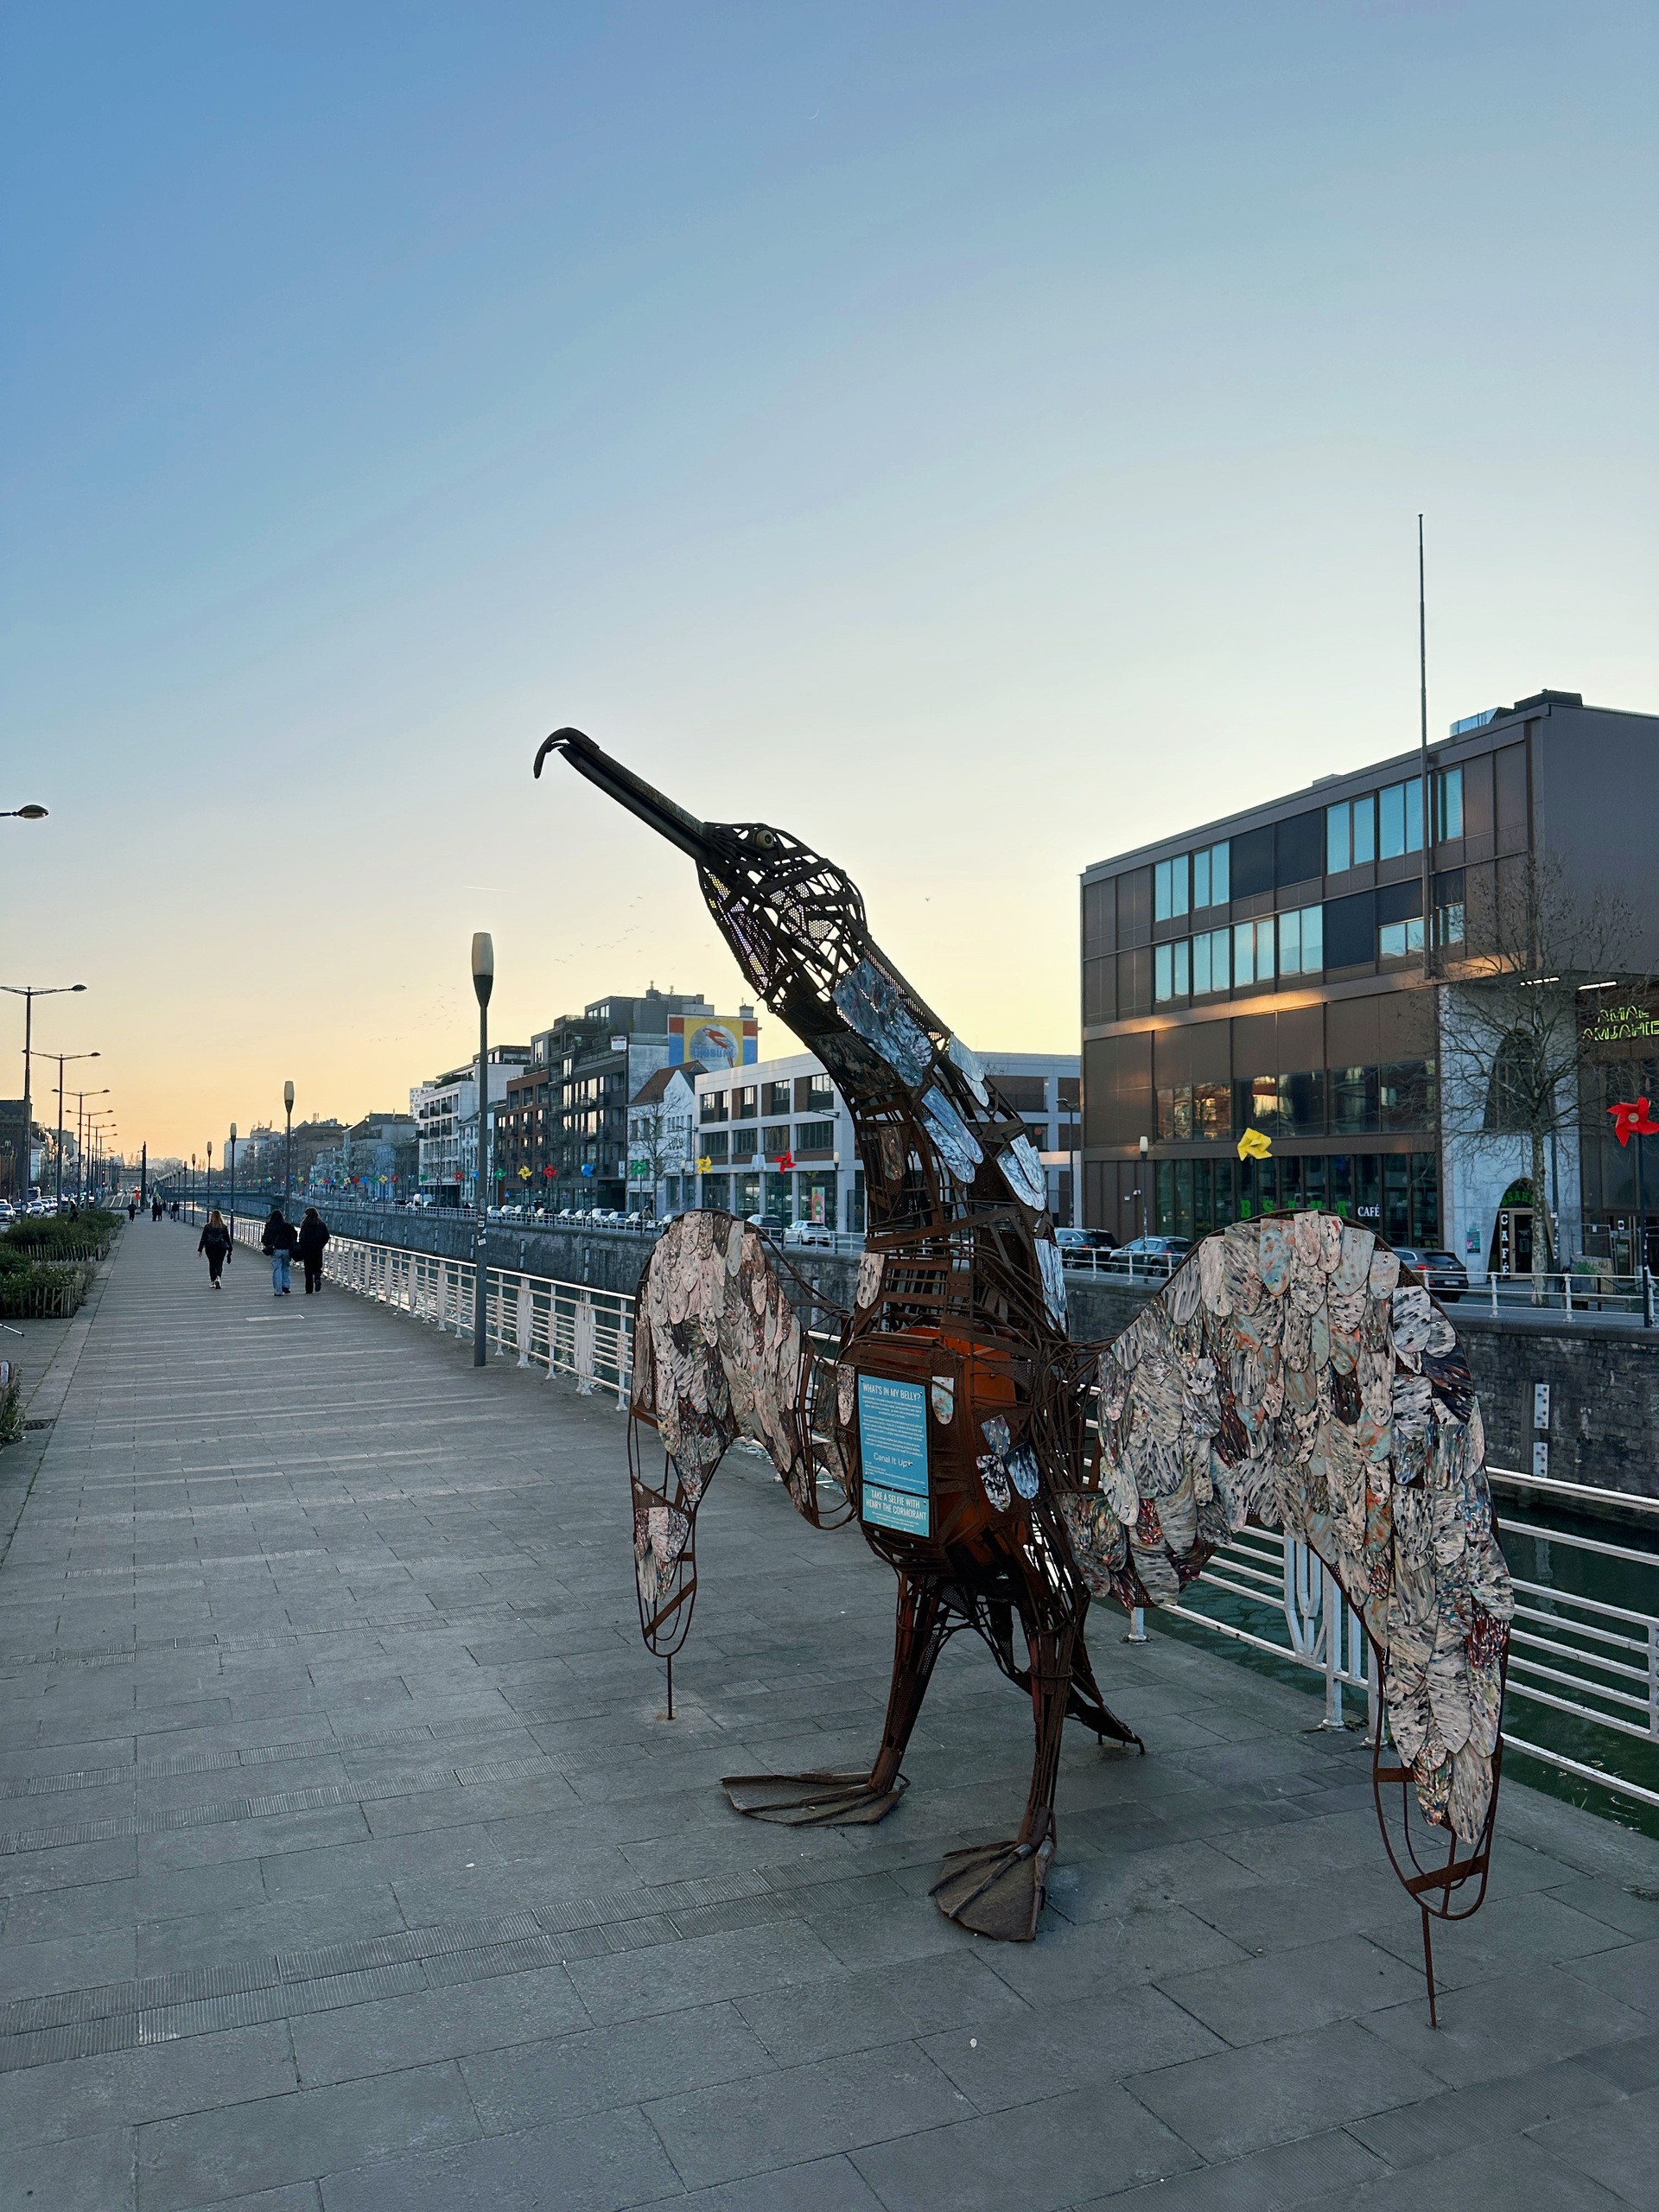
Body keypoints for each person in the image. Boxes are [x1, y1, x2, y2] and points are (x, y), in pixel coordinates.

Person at [262, 1203, 299, 1295]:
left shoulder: (269, 1226)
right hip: (287, 1250)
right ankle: (286, 1285)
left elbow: (264, 1239)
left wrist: (269, 1245)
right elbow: (294, 1236)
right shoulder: (288, 1226)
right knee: (286, 1268)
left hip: (275, 1250)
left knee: (277, 1269)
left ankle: (278, 1290)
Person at [296, 1205, 330, 1294]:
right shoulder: (321, 1224)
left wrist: (302, 1246)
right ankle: (317, 1277)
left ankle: (309, 1289)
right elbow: (327, 1236)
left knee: (308, 1270)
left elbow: (302, 1237)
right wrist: (322, 1244)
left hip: (307, 1250)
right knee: (317, 1266)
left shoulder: (305, 1224)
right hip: (318, 1249)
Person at [197, 1209, 232, 1290]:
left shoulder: (207, 1227)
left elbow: (203, 1238)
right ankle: (218, 1277)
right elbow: (227, 1239)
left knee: (212, 1263)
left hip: (210, 1247)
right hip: (221, 1248)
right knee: (219, 1263)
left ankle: (213, 1281)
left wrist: (200, 1249)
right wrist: (230, 1248)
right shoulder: (224, 1227)